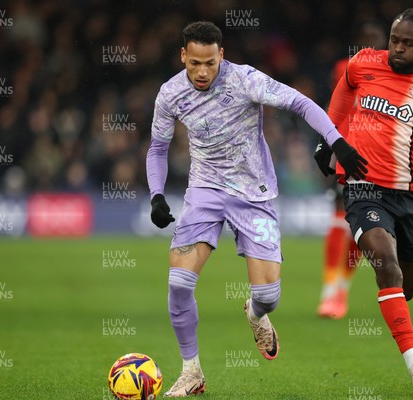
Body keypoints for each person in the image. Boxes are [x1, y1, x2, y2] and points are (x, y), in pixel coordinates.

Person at [147, 21, 367, 397]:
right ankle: (191, 371)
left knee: (268, 296)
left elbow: (301, 102)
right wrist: (156, 195)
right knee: (180, 283)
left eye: (210, 63)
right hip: (204, 191)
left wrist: (337, 141)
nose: (202, 72)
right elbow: (157, 149)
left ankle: (256, 314)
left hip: (254, 194)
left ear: (222, 56)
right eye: (194, 63)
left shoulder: (245, 80)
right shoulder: (170, 94)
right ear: (183, 56)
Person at [314, 9, 413, 395]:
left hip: (410, 196)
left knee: (407, 288)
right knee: (387, 265)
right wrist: (328, 140)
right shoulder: (363, 62)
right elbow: (342, 92)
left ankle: (390, 297)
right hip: (362, 186)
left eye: (407, 43)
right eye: (394, 39)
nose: (397, 48)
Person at [317, 21, 387, 320]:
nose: (371, 47)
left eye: (376, 42)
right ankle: (330, 289)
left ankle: (341, 289)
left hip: (378, 159)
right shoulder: (346, 68)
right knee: (338, 219)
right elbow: (343, 108)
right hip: (347, 153)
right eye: (366, 42)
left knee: (359, 225)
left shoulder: (395, 77)